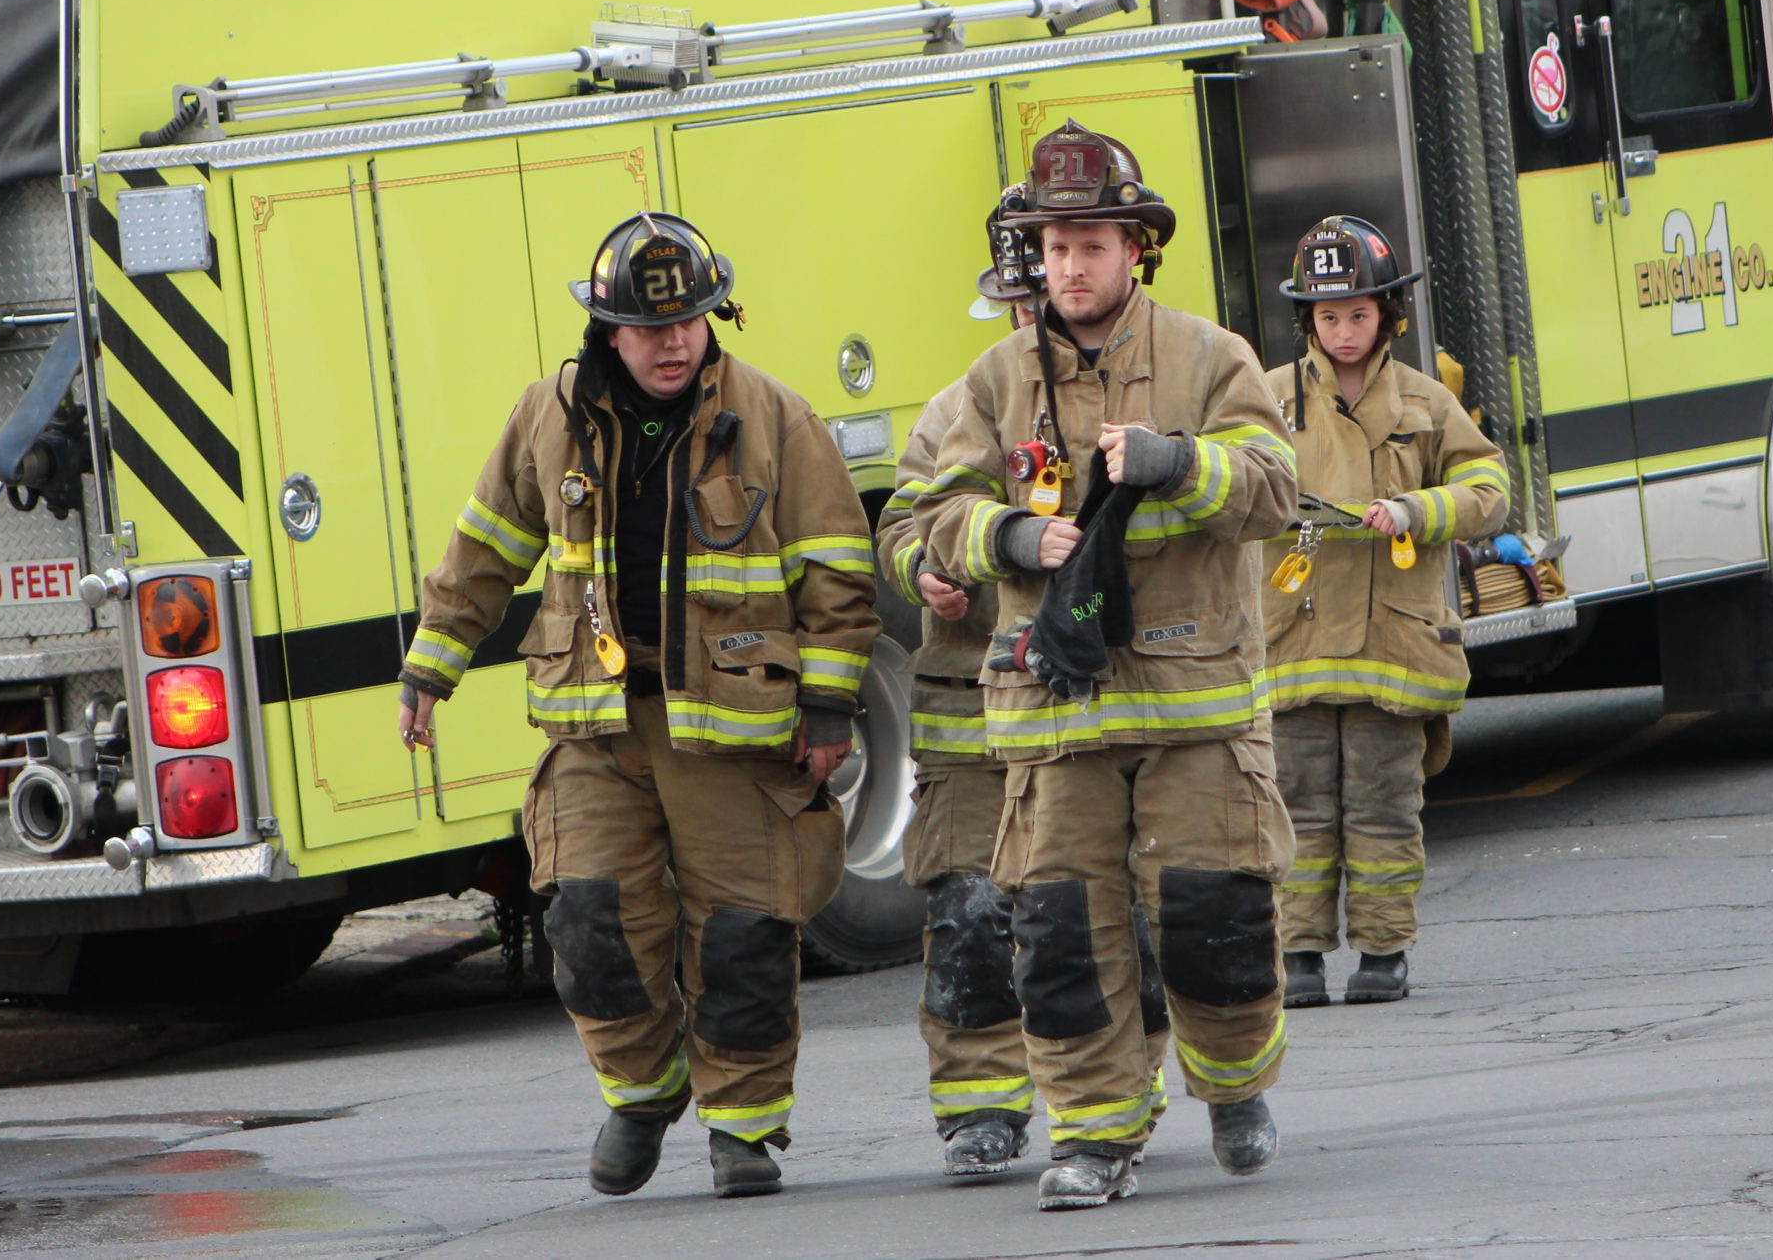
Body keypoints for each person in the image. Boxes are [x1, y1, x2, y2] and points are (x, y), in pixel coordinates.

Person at [394, 212, 876, 1201]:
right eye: (650, 327)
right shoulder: (548, 415)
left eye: (693, 321)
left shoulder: (777, 419)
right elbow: (486, 546)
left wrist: (829, 709)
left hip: (734, 731)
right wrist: (428, 667)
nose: (675, 342)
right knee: (589, 919)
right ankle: (644, 1089)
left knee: (742, 939)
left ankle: (743, 1130)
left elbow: (837, 573)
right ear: (604, 331)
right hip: (594, 723)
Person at [914, 120, 1298, 1212]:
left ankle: (1232, 1088)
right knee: (1061, 940)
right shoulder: (994, 383)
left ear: (1138, 247)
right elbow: (935, 506)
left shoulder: (1209, 357)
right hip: (1053, 713)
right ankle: (1093, 1133)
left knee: (1214, 921)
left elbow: (1276, 488)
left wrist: (1183, 464)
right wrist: (1005, 539)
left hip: (1195, 704)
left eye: (1090, 244)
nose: (1069, 267)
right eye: (1052, 247)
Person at [874, 190, 1171, 1180]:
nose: (1027, 316)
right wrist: (921, 568)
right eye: (1015, 296)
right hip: (971, 710)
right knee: (968, 914)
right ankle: (979, 1109)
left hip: (1089, 707)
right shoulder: (959, 407)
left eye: (1033, 295)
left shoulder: (1139, 396)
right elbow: (904, 525)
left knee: (1106, 913)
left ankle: (1125, 1087)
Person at [1259, 216, 1509, 1008]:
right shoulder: (1267, 399)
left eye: (1357, 314)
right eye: (1327, 317)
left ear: (1388, 316)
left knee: (1382, 804)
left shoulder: (1429, 403)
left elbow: (1489, 489)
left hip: (1392, 649)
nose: (1342, 331)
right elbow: (1227, 480)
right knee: (1295, 805)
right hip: (1293, 649)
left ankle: (1383, 947)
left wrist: (1417, 510)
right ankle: (1298, 954)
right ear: (1307, 320)